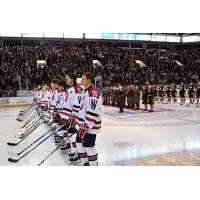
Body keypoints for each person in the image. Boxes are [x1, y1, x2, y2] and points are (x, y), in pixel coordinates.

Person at [75, 72, 102, 166]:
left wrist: (85, 126)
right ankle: (86, 164)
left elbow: (93, 112)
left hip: (90, 126)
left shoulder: (93, 93)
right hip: (83, 125)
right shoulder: (85, 91)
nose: (81, 80)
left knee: (89, 146)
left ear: (89, 80)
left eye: (83, 79)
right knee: (79, 142)